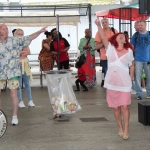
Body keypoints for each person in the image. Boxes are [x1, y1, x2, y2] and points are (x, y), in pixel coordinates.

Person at [95, 18, 134, 140]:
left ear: (126, 40)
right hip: (111, 84)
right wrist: (98, 25)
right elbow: (102, 35)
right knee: (116, 108)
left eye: (123, 36)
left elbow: (132, 65)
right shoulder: (110, 48)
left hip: (124, 84)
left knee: (125, 107)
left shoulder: (129, 51)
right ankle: (120, 127)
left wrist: (130, 78)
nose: (121, 36)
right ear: (115, 39)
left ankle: (126, 128)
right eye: (119, 35)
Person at [0, 24, 47, 125]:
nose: (6, 30)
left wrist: (39, 31)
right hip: (0, 72)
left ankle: (14, 117)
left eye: (7, 28)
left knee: (13, 93)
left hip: (13, 71)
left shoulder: (14, 40)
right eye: (4, 29)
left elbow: (29, 37)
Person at [14, 28, 35, 108]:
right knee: (18, 84)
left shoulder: (25, 43)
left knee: (27, 83)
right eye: (18, 34)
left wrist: (21, 52)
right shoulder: (13, 44)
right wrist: (21, 52)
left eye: (21, 34)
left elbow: (29, 52)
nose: (20, 35)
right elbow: (15, 53)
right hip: (17, 65)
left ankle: (30, 100)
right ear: (15, 35)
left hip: (25, 65)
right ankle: (20, 101)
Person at [95, 18, 118, 87]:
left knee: (116, 73)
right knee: (107, 73)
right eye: (103, 23)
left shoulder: (114, 31)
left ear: (108, 23)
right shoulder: (99, 32)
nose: (104, 24)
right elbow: (96, 47)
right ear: (101, 24)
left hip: (115, 56)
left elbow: (119, 42)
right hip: (105, 57)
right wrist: (106, 42)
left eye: (106, 22)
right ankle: (109, 89)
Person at [131, 20, 150, 100]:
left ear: (145, 25)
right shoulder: (135, 35)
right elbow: (131, 47)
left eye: (141, 25)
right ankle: (139, 94)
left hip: (148, 59)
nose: (140, 26)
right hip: (138, 59)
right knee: (137, 77)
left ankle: (149, 93)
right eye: (139, 25)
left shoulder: (149, 34)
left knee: (149, 77)